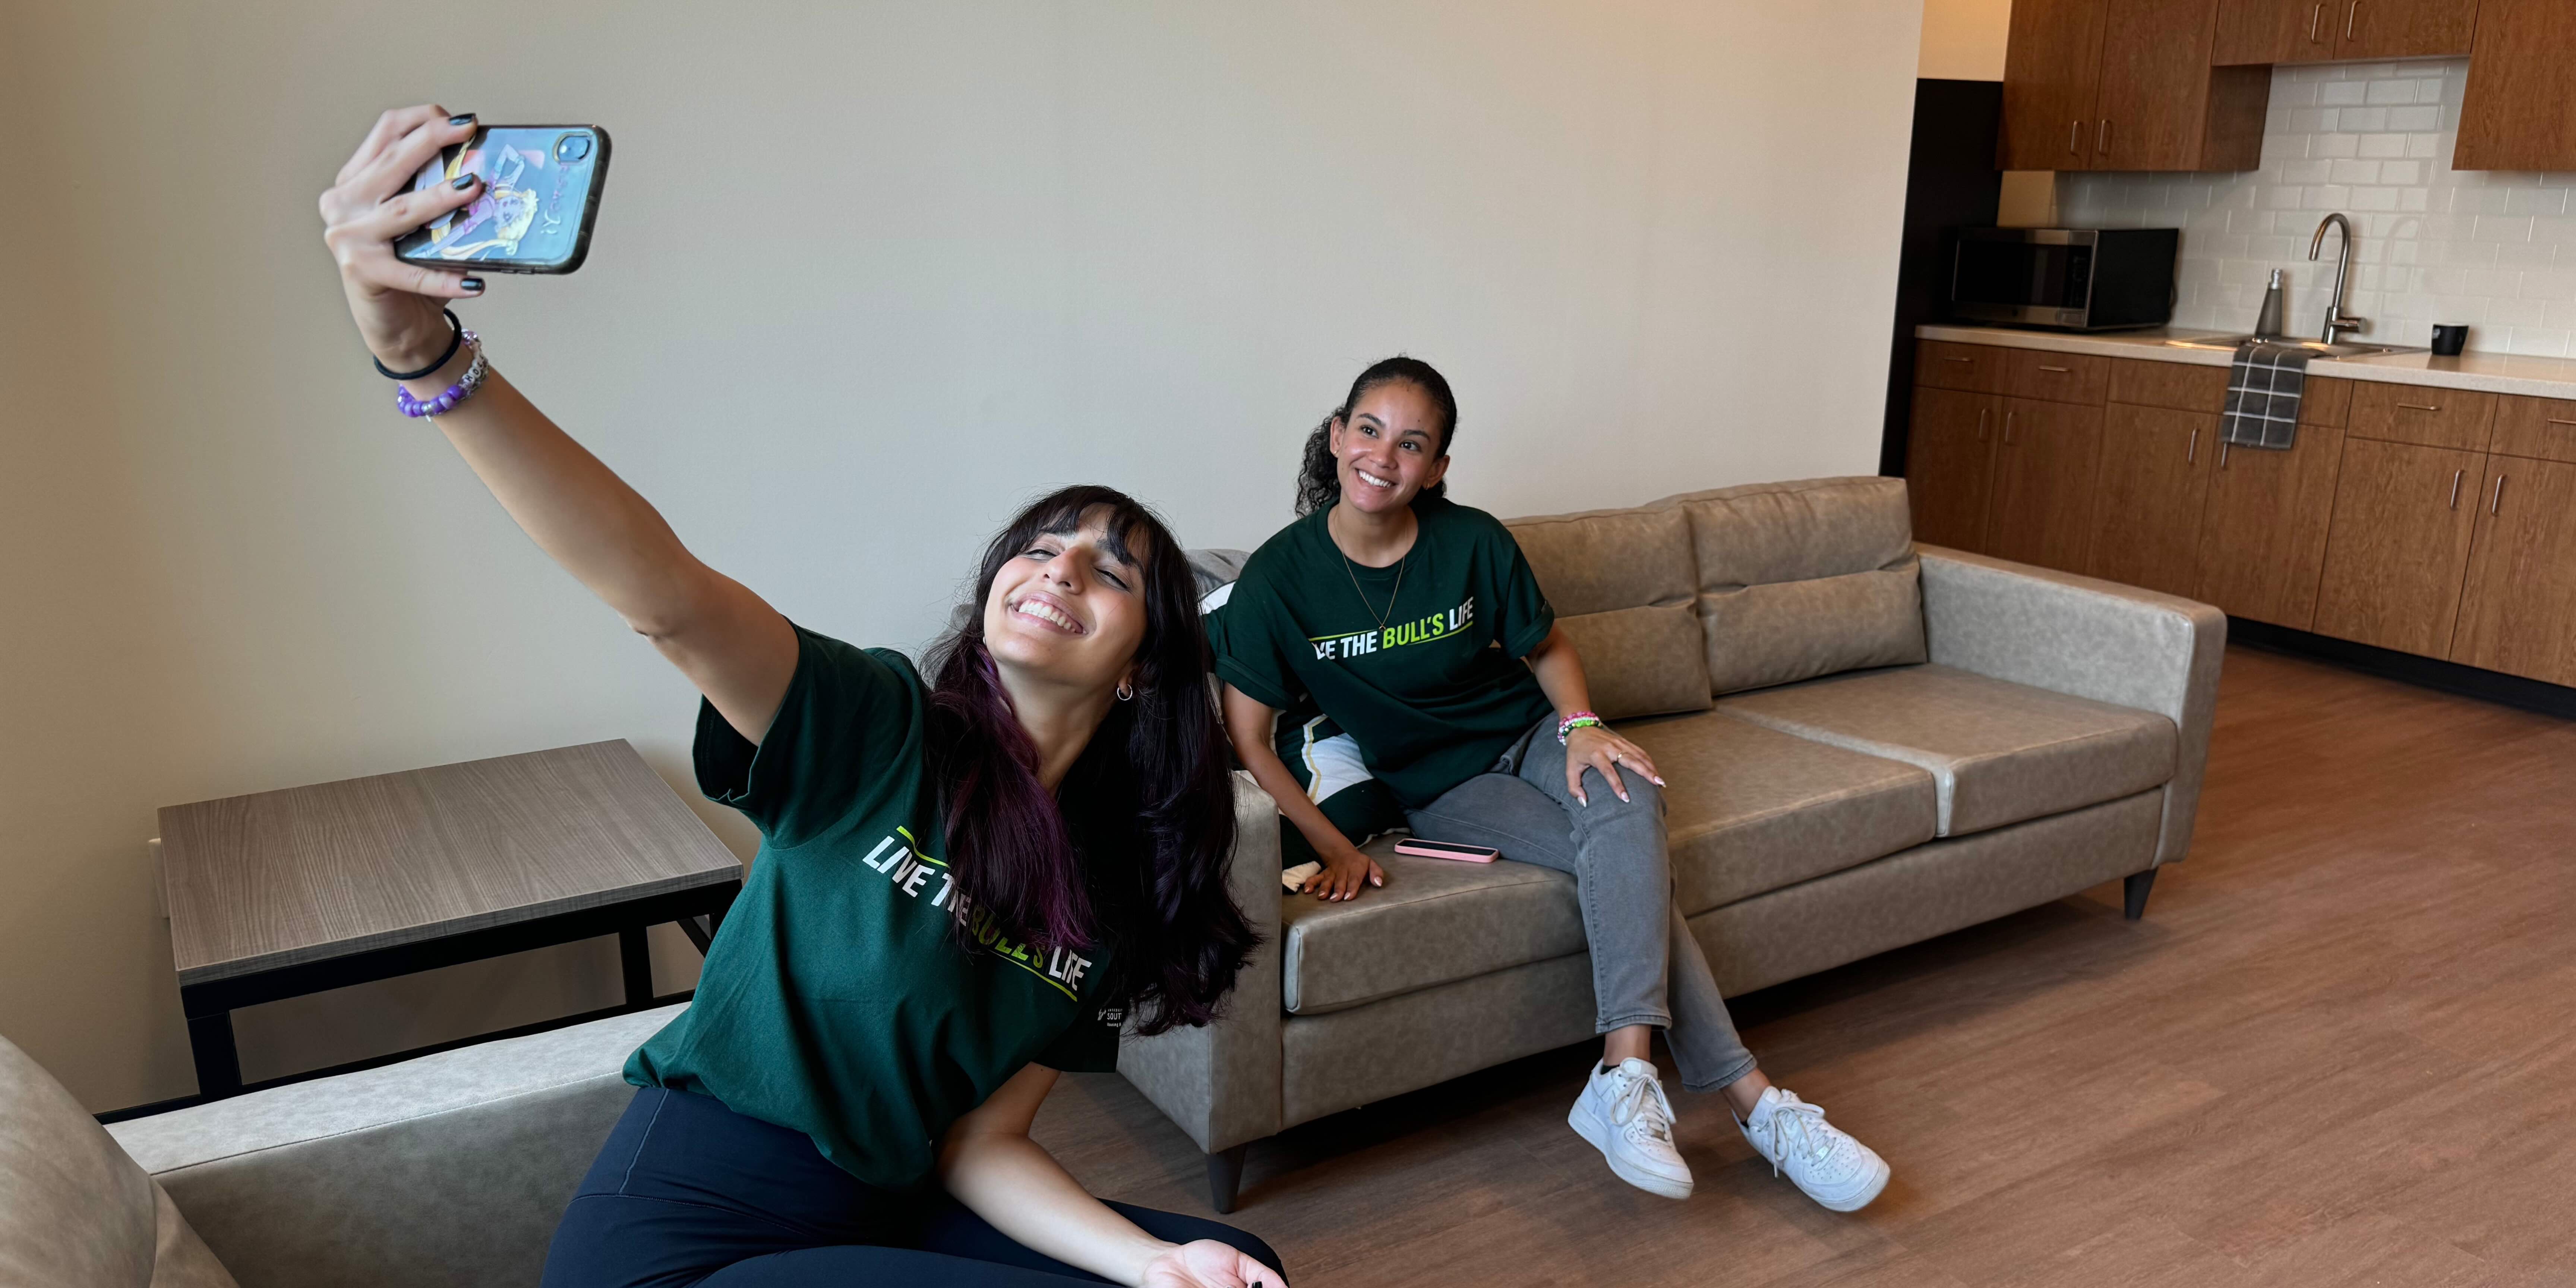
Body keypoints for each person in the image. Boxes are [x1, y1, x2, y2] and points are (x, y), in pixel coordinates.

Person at [318, 105, 1286, 1288]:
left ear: (1144, 666)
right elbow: (665, 597)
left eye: (1114, 569)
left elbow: (982, 1145)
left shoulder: (1111, 893)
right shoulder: (874, 728)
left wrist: (1154, 1265)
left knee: (1224, 1262)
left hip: (879, 1209)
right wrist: (430, 360)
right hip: (684, 1231)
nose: (1060, 568)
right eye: (1038, 547)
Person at [1209, 356, 1890, 1211]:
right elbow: (1249, 736)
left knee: (1629, 794)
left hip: (1528, 733)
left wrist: (1581, 728)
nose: (1385, 456)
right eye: (1371, 430)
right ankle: (1757, 1104)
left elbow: (1547, 649)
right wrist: (1332, 840)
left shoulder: (1473, 541)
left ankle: (1625, 1071)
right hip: (1443, 785)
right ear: (1339, 435)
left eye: (1413, 444)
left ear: (1439, 468)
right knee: (1626, 861)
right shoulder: (1279, 579)